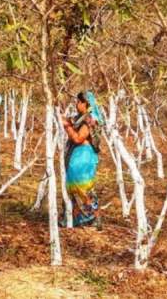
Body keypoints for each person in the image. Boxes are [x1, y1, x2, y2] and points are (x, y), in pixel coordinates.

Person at [61, 91, 103, 229]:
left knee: (83, 187)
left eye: (79, 102)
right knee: (74, 186)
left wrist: (66, 127)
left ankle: (92, 219)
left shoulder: (90, 119)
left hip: (84, 157)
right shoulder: (81, 117)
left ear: (86, 103)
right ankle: (76, 218)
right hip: (78, 156)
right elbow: (70, 120)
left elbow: (78, 138)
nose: (76, 104)